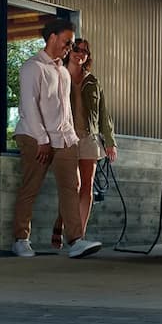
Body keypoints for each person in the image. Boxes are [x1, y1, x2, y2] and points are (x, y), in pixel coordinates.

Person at [11, 19, 102, 259]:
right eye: (67, 42)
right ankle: (21, 239)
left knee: (71, 188)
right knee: (30, 188)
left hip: (63, 139)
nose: (69, 47)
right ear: (52, 37)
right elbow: (30, 106)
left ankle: (76, 240)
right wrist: (42, 139)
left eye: (71, 43)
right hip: (35, 136)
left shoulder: (62, 72)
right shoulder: (33, 67)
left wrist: (71, 137)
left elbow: (65, 109)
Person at [51, 38, 118, 249]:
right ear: (70, 52)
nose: (80, 54)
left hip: (89, 137)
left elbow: (104, 114)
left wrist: (110, 142)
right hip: (66, 137)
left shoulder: (93, 82)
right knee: (73, 185)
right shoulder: (59, 76)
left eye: (84, 51)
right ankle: (60, 223)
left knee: (87, 187)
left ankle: (79, 236)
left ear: (88, 56)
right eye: (76, 49)